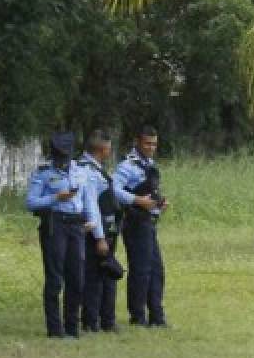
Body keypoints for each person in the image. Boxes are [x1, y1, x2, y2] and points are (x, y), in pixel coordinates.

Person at [26, 131, 108, 338]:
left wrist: (98, 234)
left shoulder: (80, 171)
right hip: (55, 226)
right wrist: (55, 197)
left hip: (77, 227)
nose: (62, 160)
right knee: (55, 279)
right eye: (59, 156)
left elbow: (89, 202)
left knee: (77, 279)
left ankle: (72, 327)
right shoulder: (43, 172)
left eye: (66, 155)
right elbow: (31, 202)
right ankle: (55, 329)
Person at [114, 126, 170, 327]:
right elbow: (115, 190)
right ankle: (138, 316)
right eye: (147, 143)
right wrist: (137, 200)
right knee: (140, 270)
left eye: (154, 144)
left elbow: (151, 195)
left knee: (156, 270)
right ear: (138, 142)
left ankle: (157, 316)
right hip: (134, 222)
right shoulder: (126, 167)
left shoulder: (150, 165)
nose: (151, 147)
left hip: (149, 222)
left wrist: (158, 205)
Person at [77, 129, 122, 332]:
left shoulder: (92, 168)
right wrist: (100, 237)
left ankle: (107, 320)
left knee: (107, 273)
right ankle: (92, 321)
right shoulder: (88, 171)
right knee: (95, 276)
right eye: (109, 149)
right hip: (96, 231)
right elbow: (91, 207)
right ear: (103, 149)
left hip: (106, 228)